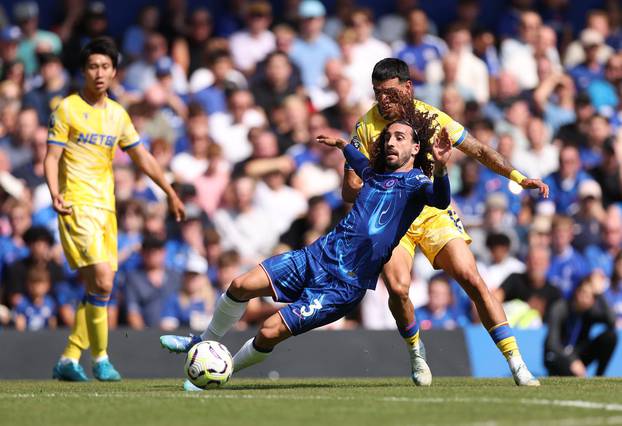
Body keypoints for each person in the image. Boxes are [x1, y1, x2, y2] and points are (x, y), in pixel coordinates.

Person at [161, 96, 453, 390]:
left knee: (270, 330)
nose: (391, 142)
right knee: (239, 285)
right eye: (388, 136)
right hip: (314, 257)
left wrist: (440, 168)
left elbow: (440, 200)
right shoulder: (374, 175)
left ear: (416, 148)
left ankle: (223, 372)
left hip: (343, 286)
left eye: (399, 138)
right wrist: (342, 146)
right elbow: (358, 158)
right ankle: (201, 341)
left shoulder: (418, 185)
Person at [342, 58, 545, 386]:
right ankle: (416, 352)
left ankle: (516, 363)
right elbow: (347, 191)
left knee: (471, 278)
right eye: (378, 93)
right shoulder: (365, 127)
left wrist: (520, 178)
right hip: (393, 219)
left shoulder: (431, 118)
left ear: (408, 88)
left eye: (390, 93)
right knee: (397, 287)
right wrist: (371, 179)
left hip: (432, 212)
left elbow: (478, 150)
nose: (383, 101)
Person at [44, 38, 185, 382]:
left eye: (105, 67)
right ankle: (102, 358)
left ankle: (68, 358)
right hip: (75, 204)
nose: (99, 73)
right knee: (104, 278)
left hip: (107, 208)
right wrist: (53, 192)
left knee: (99, 286)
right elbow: (52, 156)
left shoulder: (118, 114)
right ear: (83, 71)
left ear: (114, 71)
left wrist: (168, 190)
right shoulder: (67, 109)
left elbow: (142, 156)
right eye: (93, 66)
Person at [544, 278, 618, 377]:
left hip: (578, 354)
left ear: (593, 300)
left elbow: (612, 322)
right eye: (582, 292)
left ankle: (599, 377)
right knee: (564, 367)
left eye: (589, 296)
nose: (584, 297)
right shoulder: (560, 308)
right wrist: (572, 360)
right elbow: (552, 344)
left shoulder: (590, 312)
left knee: (610, 337)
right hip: (557, 355)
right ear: (576, 291)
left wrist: (600, 294)